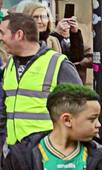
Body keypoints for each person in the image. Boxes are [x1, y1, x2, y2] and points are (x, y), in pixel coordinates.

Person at [0, 9, 82, 152]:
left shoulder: (58, 64)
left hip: (48, 155)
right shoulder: (10, 66)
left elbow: (81, 110)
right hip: (14, 154)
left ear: (19, 35)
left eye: (2, 33)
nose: (0, 38)